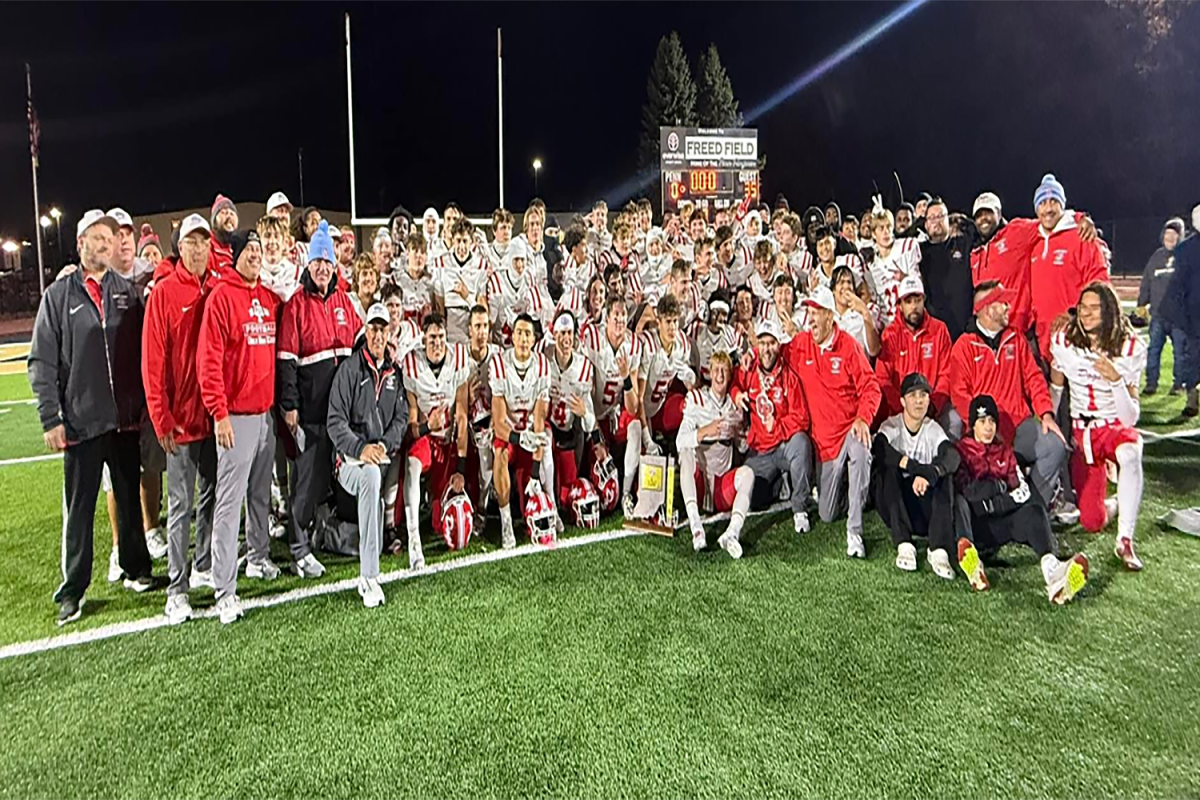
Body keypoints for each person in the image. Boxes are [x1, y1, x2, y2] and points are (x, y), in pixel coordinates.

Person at [29, 209, 154, 625]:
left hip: (123, 422)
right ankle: (73, 589)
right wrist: (51, 417)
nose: (104, 245)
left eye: (109, 238)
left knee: (129, 503)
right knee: (79, 510)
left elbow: (143, 354)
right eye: (96, 239)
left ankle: (137, 568)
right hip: (82, 425)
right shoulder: (59, 296)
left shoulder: (126, 292)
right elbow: (42, 360)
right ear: (81, 244)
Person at [197, 229, 280, 624]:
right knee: (229, 506)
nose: (254, 256)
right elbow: (209, 361)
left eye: (258, 250)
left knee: (260, 497)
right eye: (248, 250)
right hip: (236, 417)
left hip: (264, 414)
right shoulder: (222, 298)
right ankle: (224, 589)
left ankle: (258, 557)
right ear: (234, 256)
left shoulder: (267, 298)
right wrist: (219, 412)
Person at [143, 213, 220, 624]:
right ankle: (177, 586)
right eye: (191, 242)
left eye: (204, 243)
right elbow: (152, 362)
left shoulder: (214, 288)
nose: (198, 249)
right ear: (179, 246)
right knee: (180, 505)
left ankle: (204, 562)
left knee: (209, 496)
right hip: (181, 422)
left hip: (211, 419)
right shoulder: (165, 293)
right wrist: (162, 418)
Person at [277, 221, 361, 579]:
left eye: (328, 262)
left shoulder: (345, 301)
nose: (323, 268)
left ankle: (321, 535)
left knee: (332, 479)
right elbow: (286, 360)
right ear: (308, 264)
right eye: (317, 262)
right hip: (310, 413)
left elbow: (358, 350)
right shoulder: (295, 305)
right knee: (306, 484)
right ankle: (298, 550)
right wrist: (290, 406)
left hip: (338, 415)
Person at [1050, 282, 1148, 571]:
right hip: (1083, 434)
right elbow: (1056, 385)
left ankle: (1125, 540)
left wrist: (1116, 381)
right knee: (1091, 521)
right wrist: (1051, 421)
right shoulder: (1065, 340)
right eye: (1083, 307)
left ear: (1109, 311)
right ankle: (1116, 503)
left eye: (1094, 308)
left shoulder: (1128, 346)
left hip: (1114, 427)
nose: (1087, 313)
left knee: (1131, 453)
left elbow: (1131, 418)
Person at [955, 395, 1089, 604]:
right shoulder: (961, 451)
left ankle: (1052, 571)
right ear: (973, 425)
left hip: (1001, 522)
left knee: (1035, 510)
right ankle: (973, 566)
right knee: (959, 503)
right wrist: (997, 488)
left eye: (991, 421)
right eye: (982, 422)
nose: (988, 427)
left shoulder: (1005, 451)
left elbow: (1023, 491)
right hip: (975, 526)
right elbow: (966, 491)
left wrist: (997, 502)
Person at [781, 286, 881, 558]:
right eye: (808, 313)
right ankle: (858, 490)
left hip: (849, 433)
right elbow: (774, 357)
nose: (810, 319)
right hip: (824, 447)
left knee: (861, 447)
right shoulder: (802, 344)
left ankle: (855, 532)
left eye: (815, 313)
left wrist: (863, 418)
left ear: (830, 316)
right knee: (826, 514)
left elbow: (871, 387)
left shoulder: (848, 346)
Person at [949, 281, 1068, 509]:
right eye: (1002, 303)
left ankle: (1033, 506)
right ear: (987, 309)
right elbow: (960, 396)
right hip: (983, 432)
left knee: (1054, 446)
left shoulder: (1016, 338)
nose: (1007, 307)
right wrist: (984, 428)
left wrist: (1046, 413)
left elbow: (1034, 378)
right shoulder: (963, 347)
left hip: (1018, 425)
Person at [327, 303, 408, 607]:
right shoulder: (349, 370)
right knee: (370, 476)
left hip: (380, 455)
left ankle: (380, 558)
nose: (377, 335)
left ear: (389, 333)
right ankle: (369, 576)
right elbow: (335, 422)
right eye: (373, 328)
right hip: (347, 462)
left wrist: (384, 446)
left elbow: (401, 418)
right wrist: (361, 449)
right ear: (366, 331)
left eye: (382, 329)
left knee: (378, 477)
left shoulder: (393, 373)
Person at [730, 319, 815, 540]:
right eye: (763, 343)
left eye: (771, 343)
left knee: (802, 444)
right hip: (760, 451)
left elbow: (802, 419)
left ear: (778, 344)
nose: (767, 349)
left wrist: (777, 428)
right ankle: (782, 482)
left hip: (783, 446)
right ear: (757, 345)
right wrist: (737, 394)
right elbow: (733, 383)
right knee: (754, 498)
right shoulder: (749, 369)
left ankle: (799, 507)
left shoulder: (788, 376)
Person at [872, 373, 961, 578]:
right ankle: (903, 543)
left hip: (923, 510)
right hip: (895, 508)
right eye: (913, 396)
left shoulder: (932, 429)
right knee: (888, 470)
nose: (919, 400)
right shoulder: (892, 426)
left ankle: (938, 548)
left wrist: (931, 473)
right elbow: (880, 448)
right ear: (902, 401)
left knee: (944, 475)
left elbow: (952, 456)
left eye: (923, 395)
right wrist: (912, 466)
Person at [402, 314, 471, 567]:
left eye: (441, 337)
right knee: (411, 464)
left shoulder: (459, 358)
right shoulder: (412, 363)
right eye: (432, 337)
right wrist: (426, 426)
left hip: (448, 442)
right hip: (425, 438)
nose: (437, 343)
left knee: (440, 523)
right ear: (423, 338)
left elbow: (462, 415)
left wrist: (460, 468)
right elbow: (410, 428)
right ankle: (413, 540)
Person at [624, 294, 695, 516]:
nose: (673, 327)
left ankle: (687, 467)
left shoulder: (683, 344)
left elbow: (693, 386)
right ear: (660, 321)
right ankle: (627, 494)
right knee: (640, 441)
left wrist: (690, 378)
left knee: (690, 405)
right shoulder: (649, 345)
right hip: (643, 410)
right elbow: (640, 398)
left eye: (676, 321)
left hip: (662, 406)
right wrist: (648, 436)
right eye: (668, 321)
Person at [678, 352, 754, 557]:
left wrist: (745, 432)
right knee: (685, 453)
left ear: (730, 375)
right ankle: (696, 527)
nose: (720, 375)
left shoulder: (734, 407)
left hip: (721, 488)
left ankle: (732, 532)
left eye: (725, 371)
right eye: (716, 370)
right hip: (700, 483)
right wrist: (704, 432)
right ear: (710, 373)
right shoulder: (696, 398)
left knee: (748, 474)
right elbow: (679, 440)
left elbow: (743, 447)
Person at [1029, 174, 1109, 362]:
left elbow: (1100, 285)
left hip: (1076, 339)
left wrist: (1075, 314)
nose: (1048, 209)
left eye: (1053, 201)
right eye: (1042, 203)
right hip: (1044, 341)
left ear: (1062, 205)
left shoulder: (1082, 238)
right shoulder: (1035, 243)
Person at [490, 314, 553, 546]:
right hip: (508, 434)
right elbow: (498, 424)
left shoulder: (542, 366)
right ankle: (506, 520)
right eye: (520, 333)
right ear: (512, 337)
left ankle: (549, 502)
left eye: (528, 333)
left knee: (544, 442)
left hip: (529, 435)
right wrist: (519, 437)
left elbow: (539, 420)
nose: (524, 338)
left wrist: (535, 472)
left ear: (534, 339)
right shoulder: (499, 364)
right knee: (500, 453)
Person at [875, 275, 955, 434]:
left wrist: (932, 405)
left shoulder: (939, 330)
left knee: (955, 420)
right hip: (899, 413)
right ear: (900, 305)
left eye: (917, 300)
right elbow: (882, 378)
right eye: (908, 301)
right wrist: (903, 408)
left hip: (932, 410)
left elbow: (946, 373)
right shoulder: (889, 335)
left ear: (924, 300)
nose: (913, 307)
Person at [579, 296, 640, 501]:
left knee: (635, 426)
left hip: (615, 415)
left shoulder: (633, 346)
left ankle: (626, 493)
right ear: (606, 317)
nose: (620, 319)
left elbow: (632, 407)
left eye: (623, 314)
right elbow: (584, 392)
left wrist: (626, 378)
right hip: (593, 418)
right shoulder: (592, 339)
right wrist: (595, 436)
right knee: (598, 479)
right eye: (616, 314)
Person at [545, 310, 597, 508]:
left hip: (569, 433)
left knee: (566, 499)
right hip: (548, 428)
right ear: (554, 335)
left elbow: (590, 417)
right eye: (562, 333)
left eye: (569, 333)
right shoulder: (544, 359)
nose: (566, 338)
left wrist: (584, 413)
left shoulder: (583, 367)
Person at [1157, 204, 1200, 417]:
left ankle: (1192, 396)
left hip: (1192, 312)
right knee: (1192, 356)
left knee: (1191, 355)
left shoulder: (1184, 249)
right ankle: (1192, 396)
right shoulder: (1186, 249)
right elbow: (1177, 286)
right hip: (1194, 314)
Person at [1138, 217, 1188, 396]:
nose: (1169, 238)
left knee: (1180, 354)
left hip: (1179, 317)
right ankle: (1151, 384)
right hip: (1158, 314)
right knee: (1153, 351)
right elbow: (1146, 282)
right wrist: (1141, 304)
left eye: (1174, 235)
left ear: (1180, 237)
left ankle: (1179, 384)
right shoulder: (1156, 257)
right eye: (1167, 234)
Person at [918, 198, 975, 340]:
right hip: (934, 332)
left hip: (964, 327)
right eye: (932, 218)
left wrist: (961, 219)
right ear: (925, 224)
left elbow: (979, 230)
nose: (936, 221)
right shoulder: (919, 251)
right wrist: (918, 221)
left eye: (941, 216)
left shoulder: (961, 243)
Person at [864, 204, 922, 329]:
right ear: (874, 234)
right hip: (889, 328)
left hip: (911, 323)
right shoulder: (872, 266)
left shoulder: (907, 247)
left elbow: (920, 287)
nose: (886, 232)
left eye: (888, 227)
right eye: (881, 228)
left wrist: (904, 278)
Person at [432, 218, 490, 345]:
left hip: (471, 324)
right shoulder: (440, 263)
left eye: (465, 241)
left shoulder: (481, 265)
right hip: (450, 325)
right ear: (452, 240)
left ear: (472, 242)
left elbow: (482, 309)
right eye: (458, 241)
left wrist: (467, 296)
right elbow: (439, 308)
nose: (462, 246)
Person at [689, 291, 745, 386]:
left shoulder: (733, 335)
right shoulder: (695, 330)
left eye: (724, 314)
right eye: (716, 313)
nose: (720, 318)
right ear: (708, 314)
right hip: (699, 381)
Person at [831, 265, 881, 357]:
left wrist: (865, 312)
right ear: (833, 290)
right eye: (841, 282)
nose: (846, 286)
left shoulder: (863, 315)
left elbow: (874, 350)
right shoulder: (828, 317)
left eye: (849, 282)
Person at [257, 215, 302, 303]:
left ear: (284, 242)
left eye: (277, 236)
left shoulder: (298, 273)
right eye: (267, 235)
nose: (272, 241)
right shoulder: (253, 273)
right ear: (259, 240)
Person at [208, 194, 237, 277]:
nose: (228, 216)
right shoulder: (207, 247)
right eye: (223, 213)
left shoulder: (240, 247)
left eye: (232, 213)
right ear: (214, 221)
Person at [349, 253, 379, 322]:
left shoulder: (380, 305)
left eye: (371, 273)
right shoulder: (348, 302)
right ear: (357, 279)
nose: (368, 278)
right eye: (364, 274)